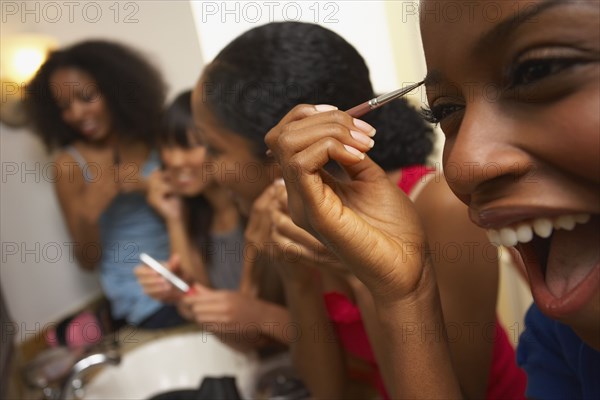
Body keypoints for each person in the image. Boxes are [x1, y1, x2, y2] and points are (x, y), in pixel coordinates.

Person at [265, 1, 599, 399]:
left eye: (540, 70)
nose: (462, 166)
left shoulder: (435, 202)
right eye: (446, 110)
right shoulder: (560, 337)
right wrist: (403, 295)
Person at [194, 21, 523, 399]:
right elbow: (326, 390)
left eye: (214, 149)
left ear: (286, 151)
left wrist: (359, 275)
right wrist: (297, 278)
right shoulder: (293, 218)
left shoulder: (439, 205)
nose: (206, 169)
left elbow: (460, 391)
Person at [26, 40, 183, 329]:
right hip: (143, 299)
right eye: (64, 106)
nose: (76, 114)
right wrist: (89, 213)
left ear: (116, 90)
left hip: (190, 272)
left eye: (86, 98)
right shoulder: (70, 164)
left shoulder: (154, 137)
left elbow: (198, 205)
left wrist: (148, 186)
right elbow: (88, 260)